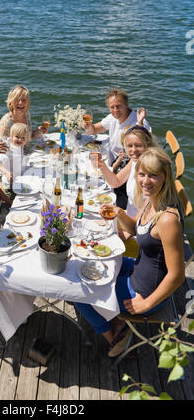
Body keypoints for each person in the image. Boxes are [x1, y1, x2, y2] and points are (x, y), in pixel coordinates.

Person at [75, 147, 185, 357]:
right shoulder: (152, 199)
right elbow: (136, 229)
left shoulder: (168, 219)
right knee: (88, 264)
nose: (145, 181)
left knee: (79, 291)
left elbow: (177, 275)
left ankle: (113, 335)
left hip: (144, 290)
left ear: (165, 177)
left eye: (153, 175)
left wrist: (146, 303)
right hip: (136, 268)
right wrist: (119, 213)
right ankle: (113, 317)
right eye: (142, 174)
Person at [83, 87, 151, 208]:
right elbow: (93, 130)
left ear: (126, 104)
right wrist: (88, 126)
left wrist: (140, 124)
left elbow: (147, 144)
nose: (115, 110)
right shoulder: (112, 118)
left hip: (126, 166)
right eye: (112, 107)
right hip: (113, 162)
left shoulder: (138, 121)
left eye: (118, 106)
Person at [90, 125, 159, 219]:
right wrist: (102, 166)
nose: (134, 150)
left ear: (148, 145)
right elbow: (116, 182)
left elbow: (149, 214)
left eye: (139, 145)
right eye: (130, 146)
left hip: (138, 224)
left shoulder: (152, 171)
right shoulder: (135, 161)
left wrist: (123, 220)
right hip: (130, 217)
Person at [0, 122, 30, 198]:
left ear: (26, 139)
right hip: (9, 185)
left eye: (23, 138)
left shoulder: (20, 147)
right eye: (17, 136)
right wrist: (7, 173)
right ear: (11, 137)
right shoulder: (7, 149)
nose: (20, 140)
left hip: (18, 181)